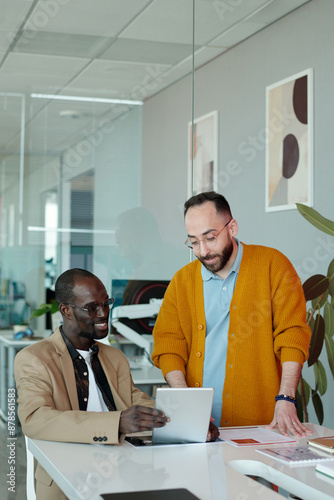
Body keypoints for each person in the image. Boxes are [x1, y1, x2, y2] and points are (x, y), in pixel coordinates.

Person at [152, 192, 312, 438]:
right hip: (201, 426)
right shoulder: (182, 281)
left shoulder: (273, 265)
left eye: (210, 238)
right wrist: (187, 403)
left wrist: (286, 397)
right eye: (194, 242)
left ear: (232, 227)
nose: (203, 251)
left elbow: (292, 336)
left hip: (263, 422)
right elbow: (168, 346)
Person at [14, 268, 170, 500]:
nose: (103, 313)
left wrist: (179, 421)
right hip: (67, 474)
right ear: (66, 310)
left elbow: (134, 398)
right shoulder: (34, 358)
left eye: (106, 303)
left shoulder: (114, 357)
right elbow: (35, 419)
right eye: (91, 307)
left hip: (123, 467)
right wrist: (116, 423)